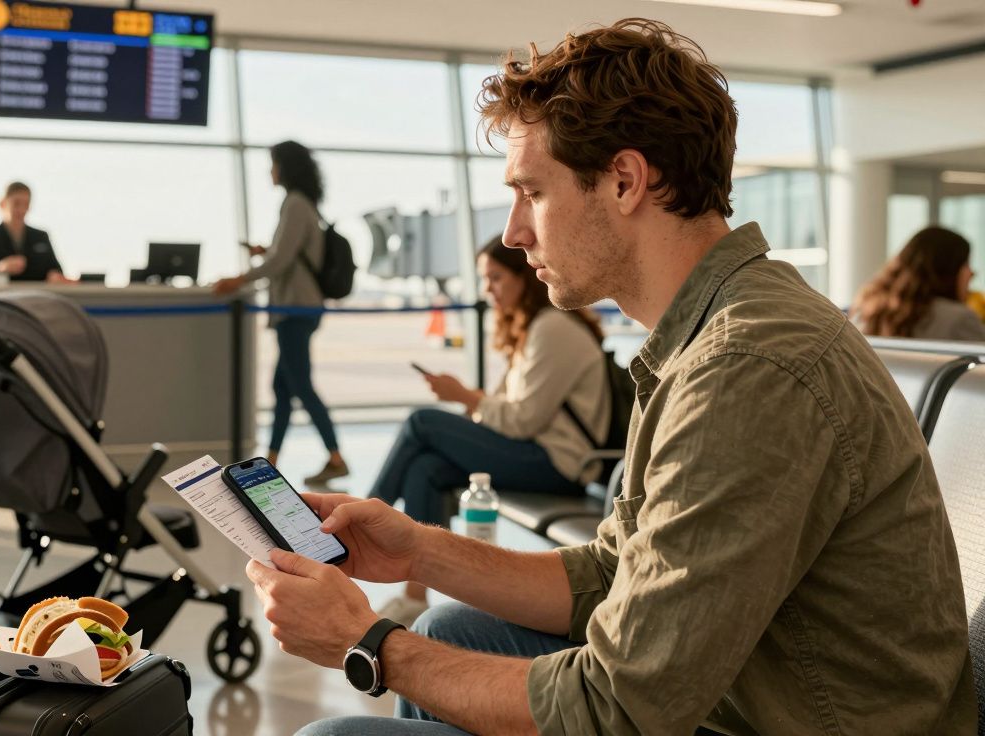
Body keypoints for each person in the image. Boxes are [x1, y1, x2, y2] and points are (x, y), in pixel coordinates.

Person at [245, 19, 974, 736]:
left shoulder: (746, 369)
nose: (512, 231)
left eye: (532, 191)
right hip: (745, 687)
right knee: (454, 623)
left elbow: (621, 710)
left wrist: (370, 645)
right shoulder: (711, 331)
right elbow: (612, 573)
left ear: (625, 180)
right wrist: (418, 549)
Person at [371, 236, 609, 626]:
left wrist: (466, 398)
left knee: (422, 422)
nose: (488, 290)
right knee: (426, 468)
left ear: (523, 277)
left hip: (558, 464)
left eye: (495, 278)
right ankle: (414, 597)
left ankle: (365, 517)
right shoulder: (535, 328)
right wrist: (473, 404)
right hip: (534, 453)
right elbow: (506, 413)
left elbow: (522, 420)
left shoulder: (553, 328)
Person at [214, 141, 347, 486]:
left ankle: (335, 457)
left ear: (285, 167)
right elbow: (288, 255)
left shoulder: (295, 204)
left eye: (273, 164)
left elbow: (280, 261)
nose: (269, 171)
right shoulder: (305, 205)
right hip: (299, 308)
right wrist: (265, 251)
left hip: (296, 309)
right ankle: (270, 461)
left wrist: (239, 279)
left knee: (300, 385)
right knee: (284, 387)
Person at [851, 226, 985, 341]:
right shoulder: (960, 319)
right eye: (966, 263)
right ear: (949, 268)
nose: (972, 273)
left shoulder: (869, 311)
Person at [0, 181, 69, 283]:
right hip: (0, 296)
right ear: (2, 204)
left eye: (26, 204)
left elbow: (56, 270)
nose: (21, 210)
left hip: (37, 296)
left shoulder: (41, 236)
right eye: (16, 203)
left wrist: (55, 276)